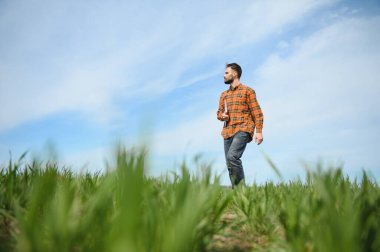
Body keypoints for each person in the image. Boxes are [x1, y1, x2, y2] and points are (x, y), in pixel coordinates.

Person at [217, 63, 264, 187]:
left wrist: (259, 131)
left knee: (233, 157)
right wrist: (223, 116)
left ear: (235, 74)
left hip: (243, 128)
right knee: (229, 163)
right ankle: (237, 193)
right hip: (228, 131)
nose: (224, 75)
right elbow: (219, 113)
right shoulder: (224, 95)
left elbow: (257, 112)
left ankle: (242, 190)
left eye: (226, 73)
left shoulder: (248, 91)